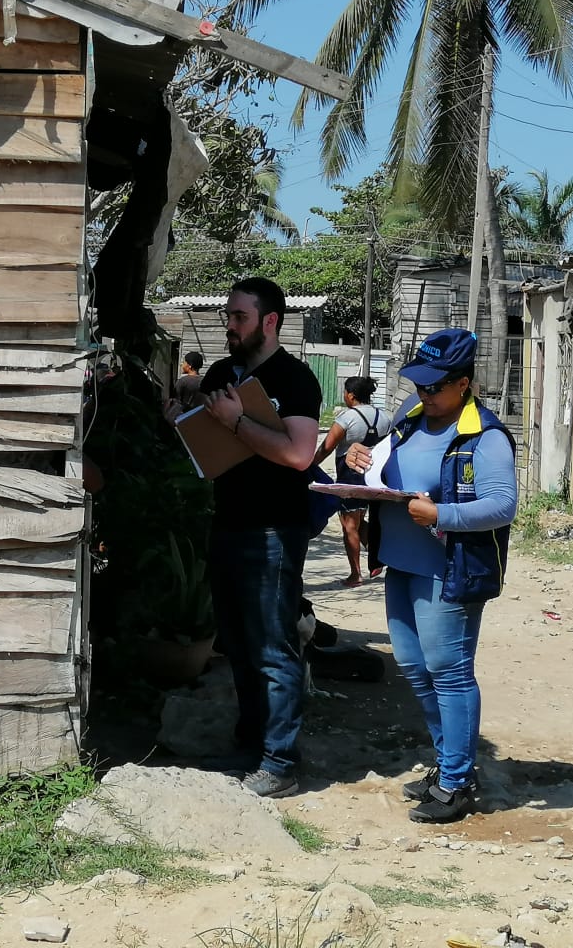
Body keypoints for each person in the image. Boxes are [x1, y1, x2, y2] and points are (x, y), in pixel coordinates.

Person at [346, 328, 517, 824]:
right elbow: (382, 464)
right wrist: (360, 462)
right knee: (415, 670)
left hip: (449, 571)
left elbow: (503, 505)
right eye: (418, 385)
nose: (423, 394)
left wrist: (441, 515)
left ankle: (458, 781)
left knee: (449, 672)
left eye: (434, 387)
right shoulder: (410, 418)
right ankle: (450, 764)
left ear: (463, 383)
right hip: (401, 563)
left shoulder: (484, 436)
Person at [165, 278, 321, 798]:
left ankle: (280, 762)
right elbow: (206, 439)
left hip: (275, 526)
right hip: (228, 520)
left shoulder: (295, 378)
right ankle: (250, 744)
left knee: (273, 643)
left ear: (270, 321)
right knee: (238, 643)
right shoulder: (221, 373)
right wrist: (182, 422)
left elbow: (299, 456)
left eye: (239, 317)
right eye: (227, 317)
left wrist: (234, 422)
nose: (228, 326)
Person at [312, 376, 391, 587]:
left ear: (351, 395)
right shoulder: (383, 417)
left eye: (345, 392)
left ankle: (355, 574)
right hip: (373, 475)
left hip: (350, 474)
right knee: (359, 520)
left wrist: (310, 466)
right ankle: (377, 556)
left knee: (349, 525)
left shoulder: (347, 418)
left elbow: (327, 447)